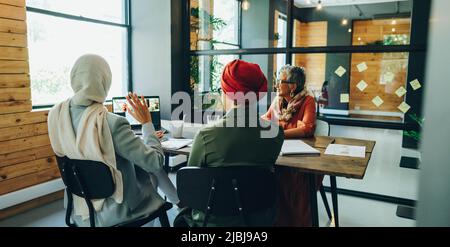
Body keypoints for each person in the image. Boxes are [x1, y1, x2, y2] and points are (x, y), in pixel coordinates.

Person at [48, 54, 179, 227]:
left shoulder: (55, 115)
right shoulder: (110, 122)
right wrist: (147, 123)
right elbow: (155, 162)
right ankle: (180, 204)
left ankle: (180, 203)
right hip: (116, 210)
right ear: (105, 81)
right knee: (151, 170)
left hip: (79, 207)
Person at [175, 59, 284, 227]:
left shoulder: (206, 135)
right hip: (258, 219)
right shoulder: (275, 134)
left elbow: (194, 184)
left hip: (211, 221)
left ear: (227, 93)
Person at [262, 65, 321, 227]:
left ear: (292, 86)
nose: (276, 85)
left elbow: (307, 128)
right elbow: (266, 120)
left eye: (280, 81)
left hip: (300, 156)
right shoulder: (278, 100)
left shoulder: (307, 100)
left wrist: (278, 132)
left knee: (295, 181)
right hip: (279, 152)